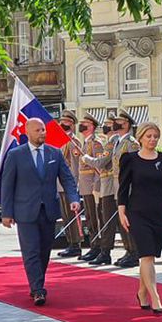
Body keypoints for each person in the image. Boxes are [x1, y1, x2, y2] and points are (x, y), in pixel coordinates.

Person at [0, 118, 80, 306]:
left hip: (48, 211)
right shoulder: (16, 155)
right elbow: (7, 185)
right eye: (38, 130)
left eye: (43, 129)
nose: (42, 133)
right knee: (31, 251)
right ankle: (38, 289)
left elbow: (67, 178)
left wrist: (74, 199)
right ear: (28, 132)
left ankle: (37, 282)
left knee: (44, 251)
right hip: (25, 212)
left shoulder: (54, 153)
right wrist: (6, 213)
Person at [118, 122, 162, 314]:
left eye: (155, 136)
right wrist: (121, 211)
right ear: (141, 138)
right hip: (137, 212)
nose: (152, 140)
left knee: (150, 256)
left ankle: (142, 292)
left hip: (158, 212)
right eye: (148, 136)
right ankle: (155, 297)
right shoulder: (130, 159)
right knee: (146, 255)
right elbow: (123, 187)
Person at [81, 112, 119, 266]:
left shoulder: (108, 143)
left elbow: (100, 162)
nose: (106, 126)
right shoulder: (109, 142)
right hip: (104, 184)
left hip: (107, 184)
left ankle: (105, 250)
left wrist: (86, 159)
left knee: (106, 220)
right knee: (99, 219)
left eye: (108, 124)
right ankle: (102, 249)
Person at [112, 110, 140, 268]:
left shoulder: (131, 143)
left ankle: (135, 252)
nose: (116, 123)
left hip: (128, 187)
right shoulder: (118, 141)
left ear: (127, 124)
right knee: (122, 220)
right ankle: (128, 249)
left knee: (129, 220)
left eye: (119, 121)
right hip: (119, 185)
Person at [77, 112, 105, 262]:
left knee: (95, 218)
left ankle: (97, 246)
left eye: (85, 124)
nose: (81, 125)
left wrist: (97, 186)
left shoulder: (96, 143)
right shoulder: (85, 142)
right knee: (89, 217)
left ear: (92, 126)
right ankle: (93, 245)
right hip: (85, 186)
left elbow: (99, 167)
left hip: (93, 186)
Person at [56, 110, 83, 258]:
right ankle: (70, 242)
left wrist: (74, 185)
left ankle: (76, 244)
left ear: (72, 125)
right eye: (62, 121)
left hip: (68, 185)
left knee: (73, 215)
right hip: (60, 184)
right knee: (66, 216)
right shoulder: (60, 141)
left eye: (66, 122)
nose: (62, 124)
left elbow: (75, 165)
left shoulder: (74, 143)